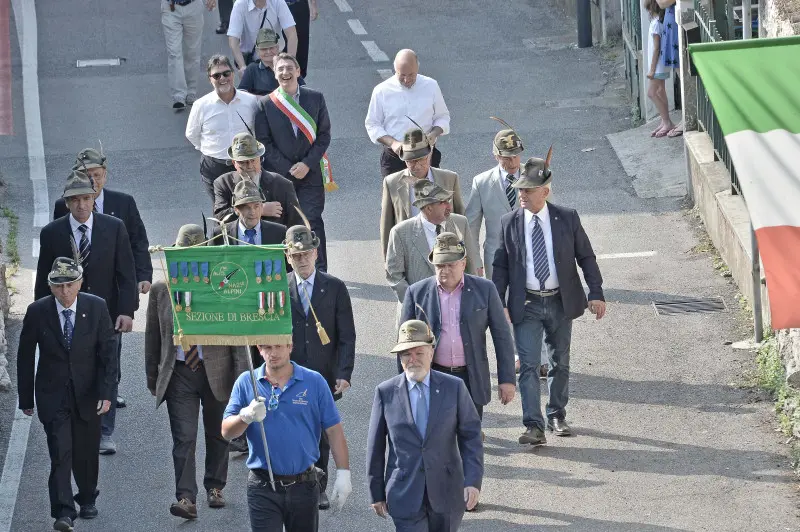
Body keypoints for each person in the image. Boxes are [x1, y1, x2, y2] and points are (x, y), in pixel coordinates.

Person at [492, 155, 606, 445]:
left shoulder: (567, 218)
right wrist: (499, 302)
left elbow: (586, 256)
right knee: (528, 365)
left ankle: (556, 414)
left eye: (528, 190)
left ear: (545, 191)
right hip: (526, 303)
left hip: (559, 301)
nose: (522, 195)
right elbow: (501, 265)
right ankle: (533, 425)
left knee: (560, 362)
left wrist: (595, 293)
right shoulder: (509, 223)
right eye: (520, 190)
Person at [146, 225, 247, 520]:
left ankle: (215, 487)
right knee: (184, 436)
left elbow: (237, 335)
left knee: (219, 434)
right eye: (184, 254)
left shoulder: (222, 286)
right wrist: (153, 377)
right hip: (180, 372)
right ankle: (185, 497)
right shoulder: (161, 289)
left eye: (196, 254)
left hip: (217, 370)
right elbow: (153, 335)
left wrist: (242, 377)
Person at [35, 171, 137, 455]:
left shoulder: (114, 227)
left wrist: (126, 311)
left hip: (106, 315)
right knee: (71, 369)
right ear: (67, 203)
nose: (82, 205)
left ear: (95, 198)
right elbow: (43, 277)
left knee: (107, 369)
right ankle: (74, 422)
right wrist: (41, 318)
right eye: (75, 200)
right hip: (66, 314)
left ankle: (105, 431)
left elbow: (126, 273)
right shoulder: (52, 233)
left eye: (87, 198)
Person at [18, 257, 117, 532]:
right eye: (59, 286)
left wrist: (107, 393)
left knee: (86, 452)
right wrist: (25, 399)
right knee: (60, 452)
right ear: (50, 287)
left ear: (80, 283)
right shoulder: (37, 312)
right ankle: (63, 511)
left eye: (70, 285)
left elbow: (109, 355)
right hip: (53, 395)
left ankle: (87, 498)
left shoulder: (96, 307)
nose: (65, 292)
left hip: (88, 394)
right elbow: (25, 356)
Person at [54, 147, 153, 408]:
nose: (93, 180)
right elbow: (55, 252)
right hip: (72, 295)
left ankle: (109, 389)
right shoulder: (63, 208)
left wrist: (142, 276)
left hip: (110, 291)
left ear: (105, 175)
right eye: (86, 174)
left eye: (96, 174)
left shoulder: (123, 204)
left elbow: (137, 243)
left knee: (111, 348)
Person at [221, 342, 352, 531]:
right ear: (258, 349)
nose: (273, 353)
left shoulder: (314, 382)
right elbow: (226, 431)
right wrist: (245, 416)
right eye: (266, 347)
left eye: (278, 346)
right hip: (262, 485)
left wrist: (343, 473)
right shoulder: (246, 381)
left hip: (304, 485)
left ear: (290, 346)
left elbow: (334, 430)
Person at [366, 320, 483, 531]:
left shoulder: (454, 388)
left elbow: (471, 436)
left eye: (419, 353)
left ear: (431, 352)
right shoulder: (385, 392)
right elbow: (375, 447)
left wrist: (473, 481)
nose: (412, 360)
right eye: (406, 354)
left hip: (447, 493)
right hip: (404, 493)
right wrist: (376, 492)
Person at [400, 232, 516, 421]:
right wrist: (404, 384)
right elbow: (404, 343)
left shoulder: (485, 289)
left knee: (470, 437)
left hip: (471, 376)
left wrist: (507, 380)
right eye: (439, 265)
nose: (444, 270)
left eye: (450, 265)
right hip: (433, 374)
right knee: (438, 436)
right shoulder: (416, 293)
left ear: (463, 263)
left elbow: (502, 337)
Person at [465, 123, 549, 376]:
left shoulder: (534, 175)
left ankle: (542, 358)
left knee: (537, 303)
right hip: (497, 257)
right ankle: (518, 355)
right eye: (506, 157)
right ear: (496, 155)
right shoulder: (481, 182)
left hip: (533, 254)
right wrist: (475, 260)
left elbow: (547, 214)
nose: (512, 162)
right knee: (506, 309)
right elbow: (471, 223)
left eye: (516, 155)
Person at [283, 224, 355, 510]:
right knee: (291, 429)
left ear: (316, 253)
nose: (302, 259)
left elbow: (347, 335)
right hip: (287, 372)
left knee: (321, 432)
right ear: (288, 256)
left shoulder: (334, 287)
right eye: (296, 254)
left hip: (322, 373)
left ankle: (317, 486)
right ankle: (292, 483)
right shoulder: (278, 287)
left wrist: (344, 373)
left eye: (307, 253)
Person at [255, 53, 331, 271]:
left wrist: (307, 163)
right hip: (280, 177)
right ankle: (290, 272)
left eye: (289, 68)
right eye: (280, 69)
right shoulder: (266, 104)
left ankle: (321, 270)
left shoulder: (315, 98)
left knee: (312, 221)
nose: (285, 73)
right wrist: (288, 167)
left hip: (311, 173)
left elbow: (324, 135)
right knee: (285, 223)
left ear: (298, 71)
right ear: (274, 73)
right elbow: (263, 143)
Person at [386, 180, 481, 306]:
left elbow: (471, 264)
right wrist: (415, 302)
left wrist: (469, 298)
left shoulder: (460, 222)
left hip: (456, 306)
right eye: (443, 202)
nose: (449, 206)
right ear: (429, 208)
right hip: (419, 309)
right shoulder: (400, 232)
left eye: (449, 200)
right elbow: (394, 276)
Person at [186, 54, 260, 203]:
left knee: (250, 207)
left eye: (226, 73)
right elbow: (192, 134)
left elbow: (258, 131)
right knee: (222, 213)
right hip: (214, 168)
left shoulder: (251, 101)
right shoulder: (201, 105)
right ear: (210, 79)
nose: (222, 78)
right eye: (216, 75)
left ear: (233, 74)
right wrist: (211, 150)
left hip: (246, 165)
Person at [365, 49, 451, 177]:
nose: (406, 79)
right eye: (402, 75)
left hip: (425, 156)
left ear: (418, 68)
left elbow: (442, 117)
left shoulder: (431, 86)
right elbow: (372, 124)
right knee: (394, 196)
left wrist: (433, 134)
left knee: (428, 195)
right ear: (395, 70)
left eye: (411, 75)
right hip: (396, 157)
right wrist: (393, 143)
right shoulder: (381, 91)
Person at [380, 128, 464, 257]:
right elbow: (387, 226)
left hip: (446, 252)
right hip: (410, 253)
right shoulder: (391, 183)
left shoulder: (450, 178)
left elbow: (461, 219)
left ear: (429, 154)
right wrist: (388, 260)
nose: (417, 165)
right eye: (411, 161)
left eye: (421, 159)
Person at [213, 132, 303, 229]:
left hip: (273, 242)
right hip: (237, 241)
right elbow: (220, 218)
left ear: (260, 159)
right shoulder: (223, 183)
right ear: (234, 163)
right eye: (243, 162)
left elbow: (297, 224)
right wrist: (261, 209)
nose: (249, 166)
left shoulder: (282, 185)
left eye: (253, 160)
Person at [161, 0, 217, 110]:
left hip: (193, 6)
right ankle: (179, 95)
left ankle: (191, 92)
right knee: (174, 53)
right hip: (170, 7)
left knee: (192, 52)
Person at [228, 0, 297, 74]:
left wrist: (290, 63)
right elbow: (233, 40)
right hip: (251, 60)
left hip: (275, 57)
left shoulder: (278, 2)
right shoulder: (240, 4)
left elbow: (292, 34)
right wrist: (242, 66)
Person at [239, 28, 306, 96]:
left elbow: (303, 89)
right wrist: (263, 100)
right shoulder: (252, 69)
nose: (268, 52)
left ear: (277, 47)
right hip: (260, 105)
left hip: (287, 104)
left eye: (271, 48)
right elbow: (242, 94)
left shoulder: (288, 65)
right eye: (264, 49)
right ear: (257, 51)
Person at [645, 0, 674, 138]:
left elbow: (656, 48)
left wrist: (651, 69)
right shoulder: (658, 21)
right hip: (659, 64)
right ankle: (665, 121)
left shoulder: (656, 24)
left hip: (657, 66)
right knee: (660, 91)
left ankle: (667, 121)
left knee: (651, 93)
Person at [283, 0, 317, 78]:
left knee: (301, 44)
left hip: (299, 6)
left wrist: (313, 5)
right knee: (281, 43)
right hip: (279, 6)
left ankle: (299, 77)